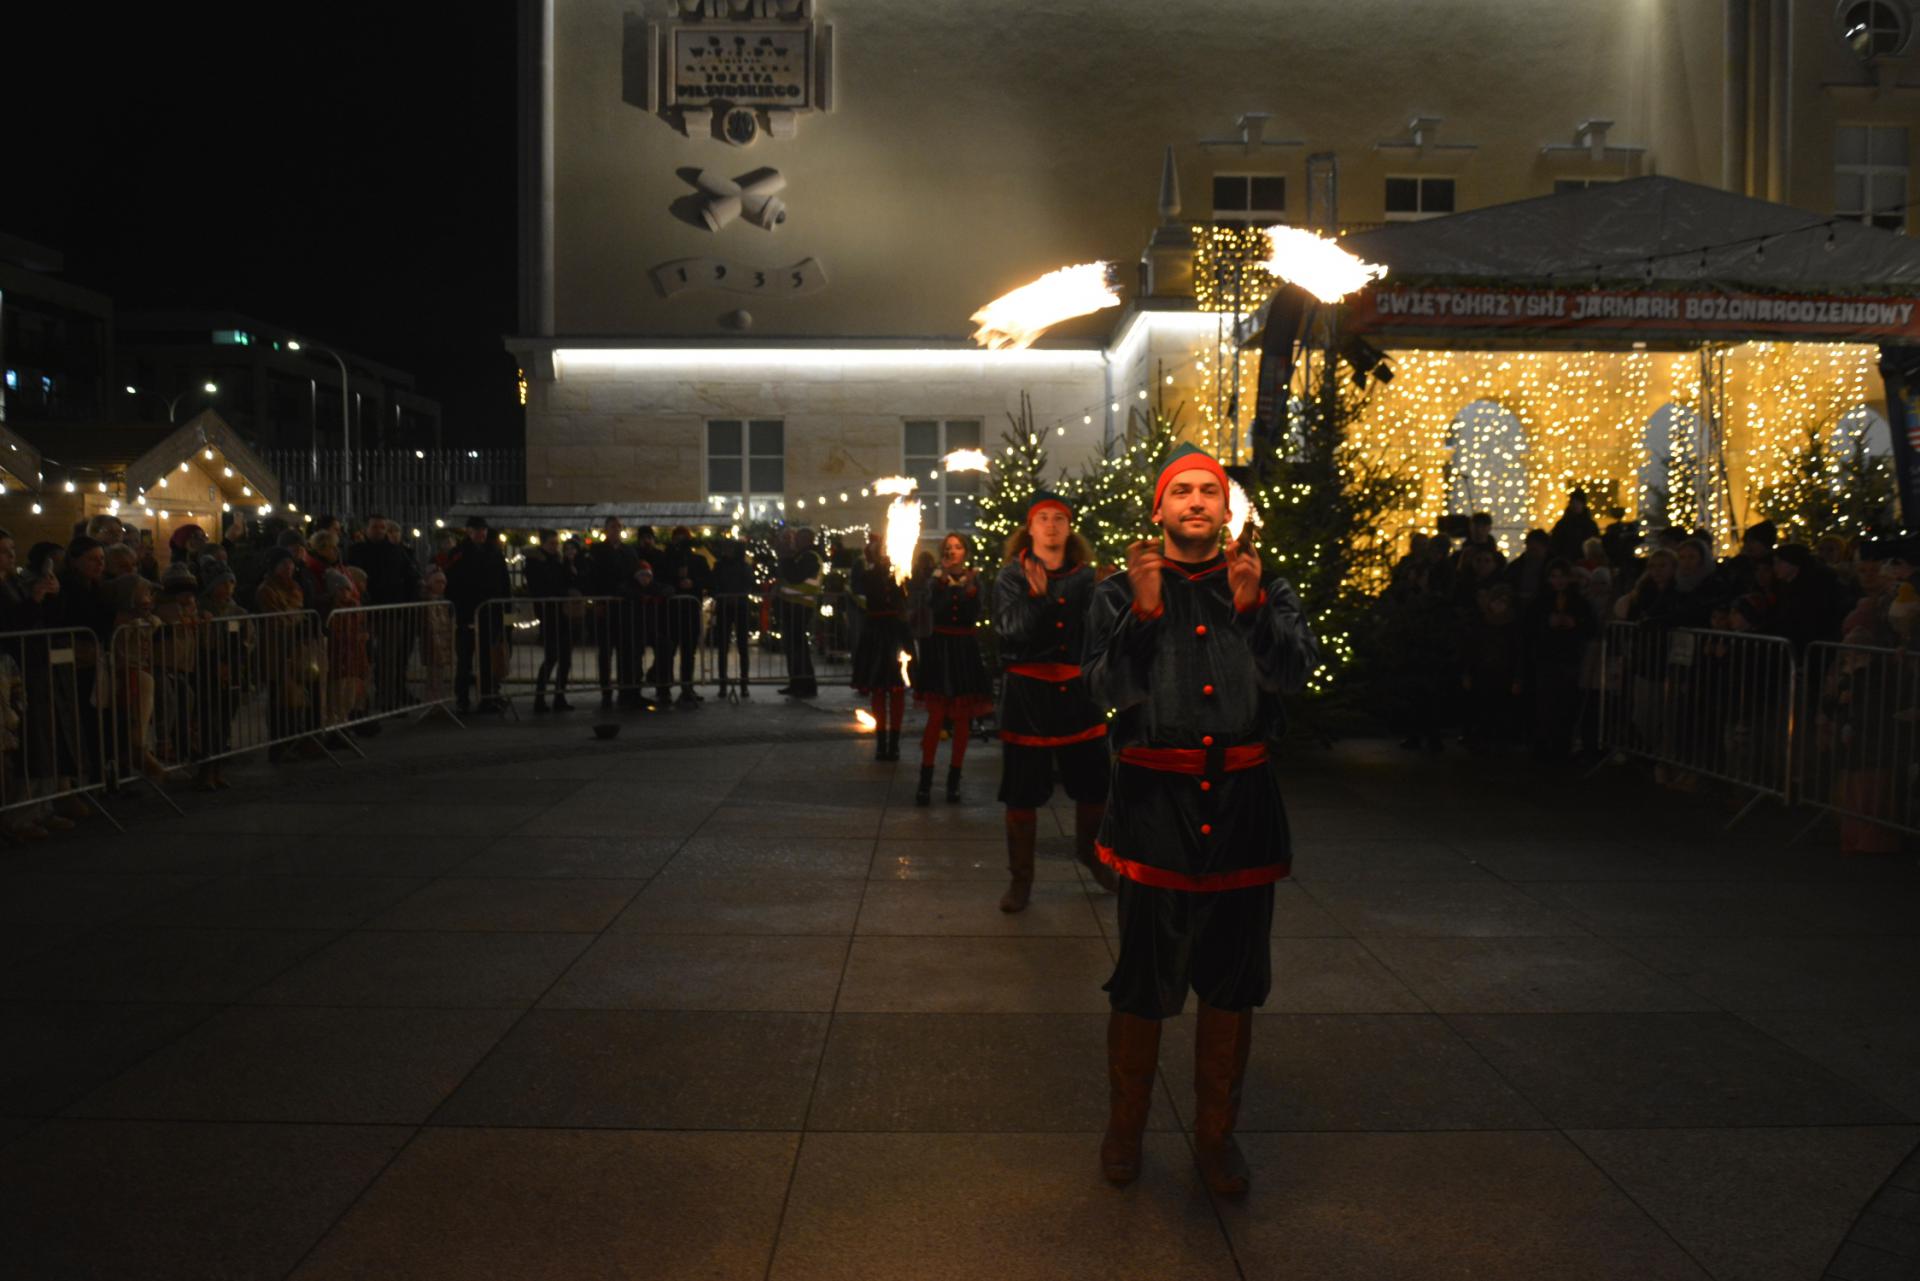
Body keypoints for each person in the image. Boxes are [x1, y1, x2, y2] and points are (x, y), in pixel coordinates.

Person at [1082, 443, 1318, 1196]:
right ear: (1160, 508)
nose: (1194, 501)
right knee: (1144, 979)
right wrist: (1145, 615)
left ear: (1226, 508)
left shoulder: (1266, 584)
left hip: (1244, 810)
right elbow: (1105, 690)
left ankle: (1217, 1137)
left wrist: (1253, 614)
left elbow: (1294, 674)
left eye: (1207, 492)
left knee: (1232, 980)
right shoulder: (1117, 591)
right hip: (1155, 812)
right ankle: (1126, 1128)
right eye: (1180, 490)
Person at [993, 489, 1114, 912]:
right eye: (1042, 518)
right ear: (1030, 527)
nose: (1051, 525)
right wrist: (1037, 597)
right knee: (1022, 792)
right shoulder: (1012, 577)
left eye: (1058, 518)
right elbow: (1010, 631)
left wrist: (1115, 595)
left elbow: (1103, 633)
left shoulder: (1087, 577)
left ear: (1069, 527)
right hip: (1027, 699)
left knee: (1094, 784)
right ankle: (1021, 878)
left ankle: (1091, 854)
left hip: (1078, 695)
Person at [908, 532, 992, 803]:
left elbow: (974, 612)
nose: (953, 551)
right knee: (935, 717)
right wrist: (945, 583)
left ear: (965, 551)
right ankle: (925, 780)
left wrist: (969, 588)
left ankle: (954, 780)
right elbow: (935, 608)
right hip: (940, 650)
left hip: (964, 650)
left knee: (962, 717)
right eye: (948, 547)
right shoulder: (935, 580)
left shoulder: (975, 579)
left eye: (957, 547)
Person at [851, 530, 914, 761]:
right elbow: (861, 589)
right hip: (876, 633)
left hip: (896, 632)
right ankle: (881, 742)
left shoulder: (902, 573)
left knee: (897, 690)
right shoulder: (869, 574)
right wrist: (871, 561)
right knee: (878, 689)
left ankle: (894, 743)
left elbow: (907, 596)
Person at [445, 516, 511, 714]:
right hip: (467, 613)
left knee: (488, 658)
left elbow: (504, 580)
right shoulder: (459, 553)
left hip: (490, 612)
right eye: (477, 530)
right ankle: (462, 698)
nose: (482, 534)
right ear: (469, 532)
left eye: (484, 530)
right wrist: (457, 610)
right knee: (465, 658)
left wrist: (506, 605)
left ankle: (488, 697)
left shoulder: (494, 552)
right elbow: (452, 584)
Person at [523, 528, 577, 713]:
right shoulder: (535, 562)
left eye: (557, 543)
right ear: (543, 543)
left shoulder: (559, 560)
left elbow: (568, 580)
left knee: (566, 658)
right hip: (548, 613)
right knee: (552, 656)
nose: (555, 547)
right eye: (552, 543)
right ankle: (540, 698)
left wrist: (568, 564)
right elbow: (540, 586)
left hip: (562, 613)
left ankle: (559, 696)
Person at [774, 527, 821, 698]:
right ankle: (796, 683)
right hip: (793, 605)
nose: (794, 542)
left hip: (800, 606)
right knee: (793, 647)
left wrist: (786, 557)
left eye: (798, 539)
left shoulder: (810, 557)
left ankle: (805, 685)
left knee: (798, 648)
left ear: (806, 540)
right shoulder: (802, 556)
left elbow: (794, 576)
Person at [709, 536, 756, 698]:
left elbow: (749, 583)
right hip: (724, 607)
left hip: (740, 606)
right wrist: (721, 595)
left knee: (743, 647)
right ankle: (723, 684)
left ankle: (744, 684)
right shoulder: (720, 566)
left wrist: (738, 595)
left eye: (730, 549)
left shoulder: (743, 566)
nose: (727, 552)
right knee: (723, 647)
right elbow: (713, 584)